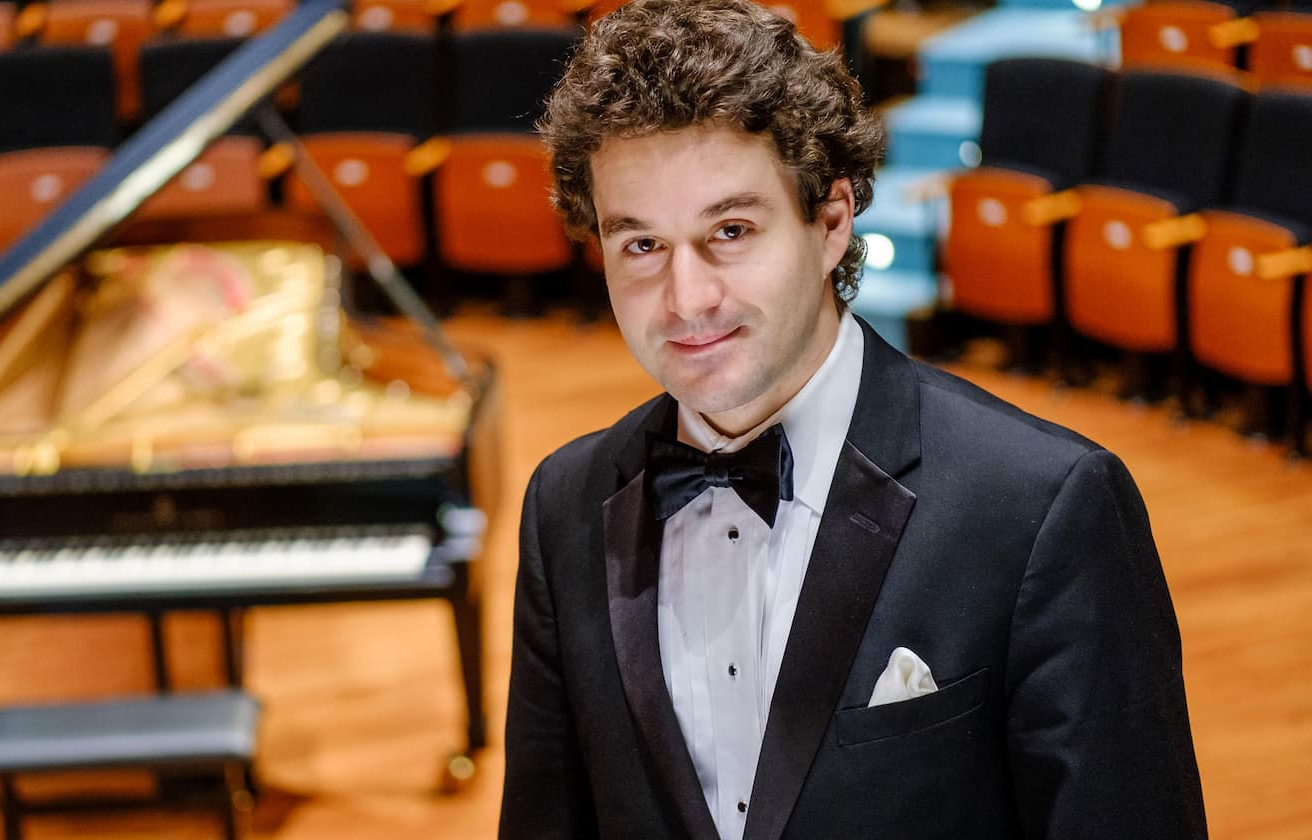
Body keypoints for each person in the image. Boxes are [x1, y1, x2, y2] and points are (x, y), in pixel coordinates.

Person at [498, 1, 1207, 838]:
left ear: (831, 221)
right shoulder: (564, 503)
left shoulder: (1046, 508)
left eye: (730, 231)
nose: (686, 300)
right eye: (641, 245)